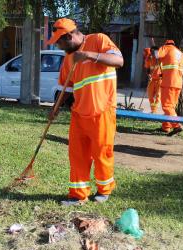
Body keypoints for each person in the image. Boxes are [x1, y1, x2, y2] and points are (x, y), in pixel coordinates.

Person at [47, 18, 123, 206]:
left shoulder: (99, 40)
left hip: (102, 112)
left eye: (60, 42)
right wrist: (55, 107)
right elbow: (67, 88)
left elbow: (118, 61)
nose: (59, 46)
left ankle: (104, 190)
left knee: (101, 153)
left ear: (70, 36)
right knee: (77, 154)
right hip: (79, 114)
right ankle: (78, 194)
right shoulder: (68, 58)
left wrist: (90, 55)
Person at [154, 40, 183, 136]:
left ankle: (177, 125)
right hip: (178, 83)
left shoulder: (166, 48)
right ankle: (166, 126)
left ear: (166, 44)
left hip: (169, 82)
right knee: (171, 107)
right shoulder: (180, 53)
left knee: (167, 106)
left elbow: (157, 55)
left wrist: (155, 50)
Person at [144, 46, 162, 113]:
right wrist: (149, 75)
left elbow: (163, 70)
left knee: (158, 96)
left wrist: (160, 76)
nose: (153, 53)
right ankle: (153, 110)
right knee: (150, 95)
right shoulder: (149, 58)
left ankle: (154, 111)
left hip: (159, 80)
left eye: (154, 52)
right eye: (152, 52)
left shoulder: (160, 59)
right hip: (151, 80)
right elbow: (148, 69)